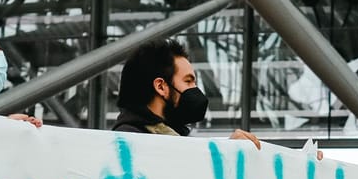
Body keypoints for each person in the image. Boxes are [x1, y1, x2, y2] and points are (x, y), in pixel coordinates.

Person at [111, 40, 260, 146]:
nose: (195, 89)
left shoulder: (175, 138)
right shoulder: (128, 142)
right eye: (188, 81)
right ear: (161, 87)